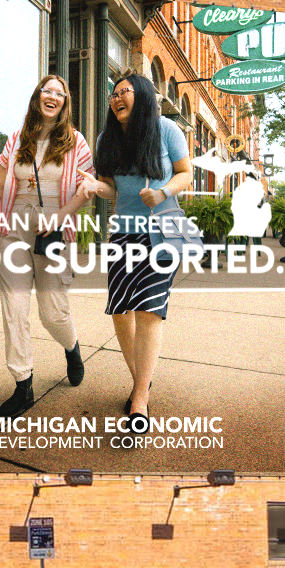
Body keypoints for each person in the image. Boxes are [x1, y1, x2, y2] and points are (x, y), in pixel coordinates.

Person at [0, 74, 98, 419]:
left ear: (65, 103)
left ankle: (71, 346)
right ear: (37, 97)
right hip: (14, 225)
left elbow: (87, 189)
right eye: (46, 91)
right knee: (14, 307)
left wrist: (59, 217)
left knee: (51, 310)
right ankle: (23, 384)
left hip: (54, 225)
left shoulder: (76, 142)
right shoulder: (18, 138)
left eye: (60, 93)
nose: (52, 97)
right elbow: (1, 182)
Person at [92, 73, 193, 428]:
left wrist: (163, 192)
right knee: (121, 310)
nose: (117, 98)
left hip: (161, 232)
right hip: (123, 234)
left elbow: (186, 173)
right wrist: (94, 185)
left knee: (149, 310)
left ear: (145, 95)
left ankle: (139, 397)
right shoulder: (108, 138)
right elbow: (110, 190)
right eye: (113, 94)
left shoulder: (167, 130)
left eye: (124, 92)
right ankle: (142, 380)